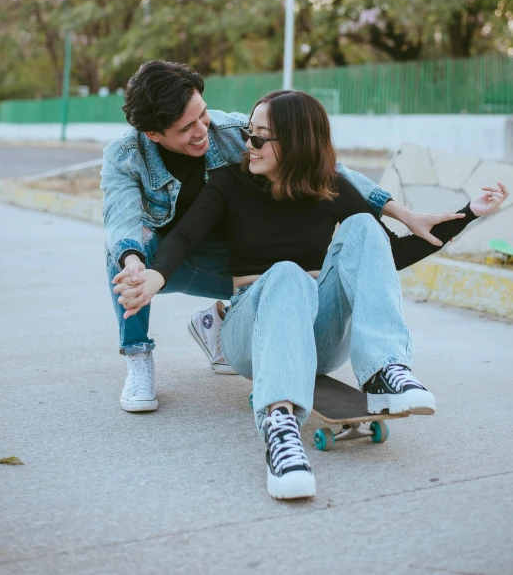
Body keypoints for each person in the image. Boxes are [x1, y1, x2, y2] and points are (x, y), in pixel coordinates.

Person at [113, 90, 508, 500]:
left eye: (261, 137)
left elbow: (388, 255)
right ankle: (281, 434)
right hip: (252, 336)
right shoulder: (228, 183)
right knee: (287, 274)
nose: (249, 144)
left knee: (366, 229)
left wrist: (471, 213)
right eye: (250, 132)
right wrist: (156, 276)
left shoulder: (331, 185)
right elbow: (185, 236)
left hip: (322, 335)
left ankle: (385, 369)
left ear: (297, 142)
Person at [102, 61, 464, 413]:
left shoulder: (231, 130)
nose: (201, 130)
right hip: (175, 258)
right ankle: (138, 357)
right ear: (154, 134)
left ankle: (386, 370)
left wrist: (400, 212)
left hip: (232, 258)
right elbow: (125, 223)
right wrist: (138, 266)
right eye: (186, 128)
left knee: (301, 265)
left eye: (202, 113)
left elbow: (321, 163)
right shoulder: (126, 156)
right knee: (123, 256)